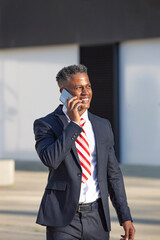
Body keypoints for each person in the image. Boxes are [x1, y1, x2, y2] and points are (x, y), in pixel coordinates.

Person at [33, 64, 135, 240]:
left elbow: (113, 174)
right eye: (78, 88)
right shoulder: (46, 124)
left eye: (88, 86)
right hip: (63, 220)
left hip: (97, 218)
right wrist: (73, 124)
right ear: (63, 92)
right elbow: (51, 159)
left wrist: (125, 216)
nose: (85, 92)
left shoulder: (103, 125)